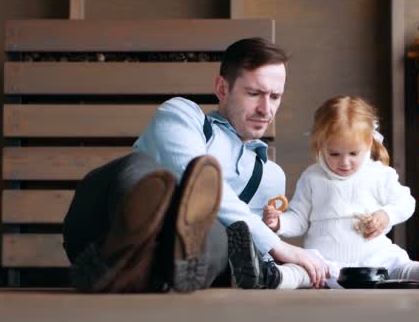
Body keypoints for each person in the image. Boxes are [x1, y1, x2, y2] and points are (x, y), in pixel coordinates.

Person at [63, 37, 328, 293]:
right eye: (254, 93)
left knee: (227, 237)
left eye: (275, 96)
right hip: (97, 229)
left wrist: (293, 266)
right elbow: (189, 170)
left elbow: (251, 260)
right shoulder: (181, 114)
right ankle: (127, 249)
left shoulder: (270, 177)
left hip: (173, 267)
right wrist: (278, 245)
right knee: (140, 169)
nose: (265, 109)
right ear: (222, 89)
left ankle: (130, 265)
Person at [263, 95, 419, 289]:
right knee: (304, 270)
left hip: (375, 258)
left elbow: (405, 203)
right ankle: (271, 275)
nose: (345, 162)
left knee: (401, 267)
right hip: (327, 262)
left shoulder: (378, 174)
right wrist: (279, 222)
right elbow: (299, 219)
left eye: (353, 153)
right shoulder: (312, 177)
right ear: (320, 145)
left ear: (368, 143)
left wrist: (385, 215)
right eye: (334, 153)